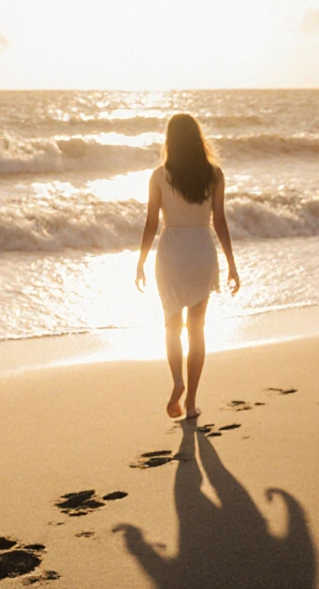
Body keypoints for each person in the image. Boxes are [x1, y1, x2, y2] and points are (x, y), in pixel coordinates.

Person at [135, 113, 239, 420]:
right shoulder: (215, 175)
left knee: (171, 326)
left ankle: (177, 381)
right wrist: (232, 264)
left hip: (170, 254)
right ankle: (191, 402)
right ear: (197, 138)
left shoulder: (159, 176)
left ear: (170, 140)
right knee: (197, 329)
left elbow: (152, 222)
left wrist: (140, 261)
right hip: (201, 252)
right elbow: (219, 221)